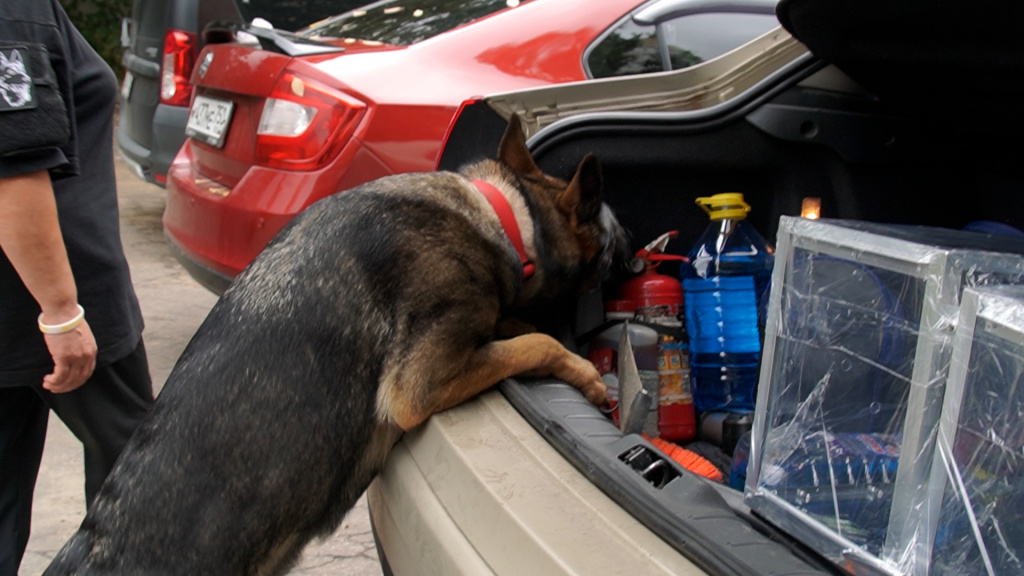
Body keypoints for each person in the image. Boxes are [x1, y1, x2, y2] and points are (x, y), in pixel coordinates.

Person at [0, 2, 155, 573]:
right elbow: (12, 171)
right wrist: (62, 312)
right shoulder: (13, 15)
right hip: (52, 296)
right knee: (142, 481)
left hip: (28, 298)